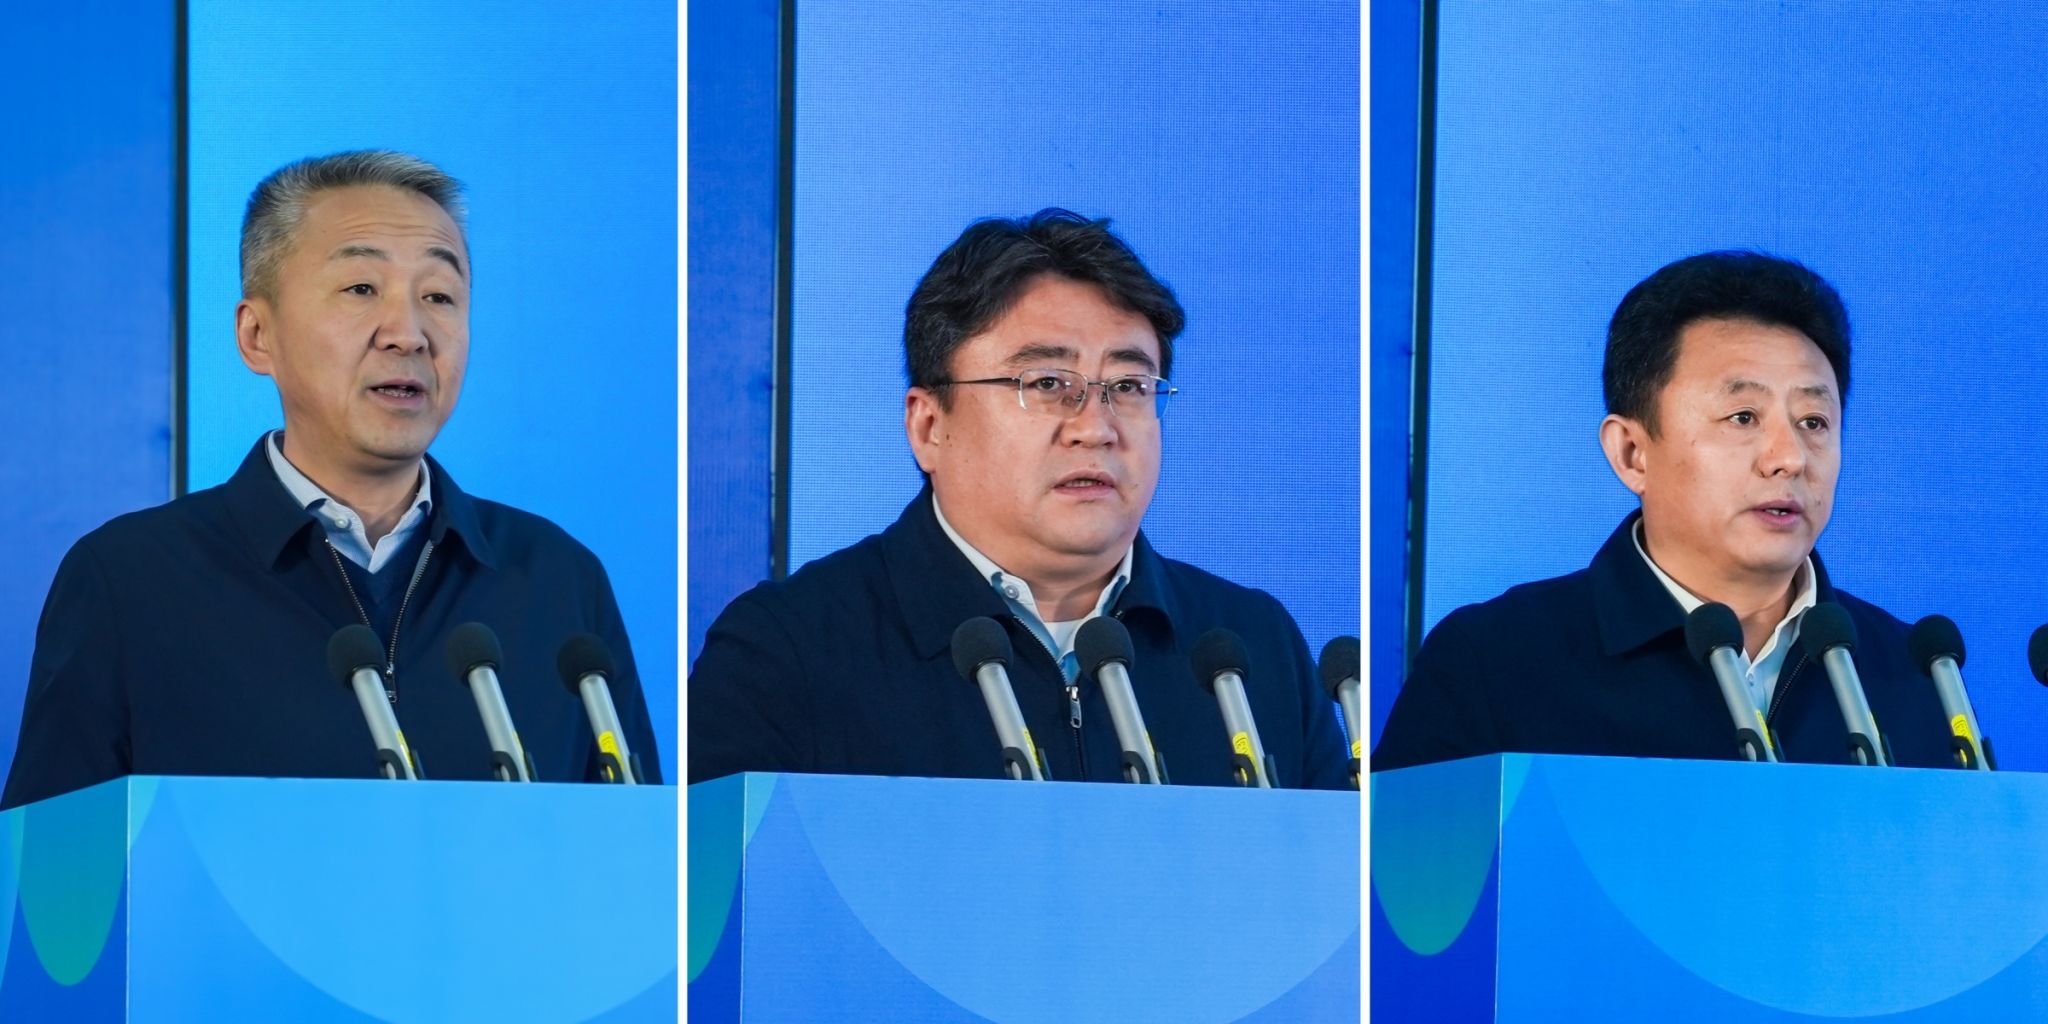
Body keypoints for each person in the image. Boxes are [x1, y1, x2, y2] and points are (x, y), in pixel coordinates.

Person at [1, 150, 662, 809]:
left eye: (438, 296)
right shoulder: (129, 580)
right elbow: (54, 867)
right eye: (361, 289)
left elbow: (640, 856)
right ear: (257, 335)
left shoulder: (557, 578)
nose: (409, 334)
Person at [688, 209, 1349, 788]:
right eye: (1047, 383)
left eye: (1128, 386)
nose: (1096, 427)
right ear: (929, 425)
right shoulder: (787, 651)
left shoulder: (1249, 649)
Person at [1373, 251, 1955, 772]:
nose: (1789, 458)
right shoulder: (1495, 663)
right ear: (1632, 453)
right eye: (1743, 418)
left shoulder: (1915, 675)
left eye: (1814, 422)